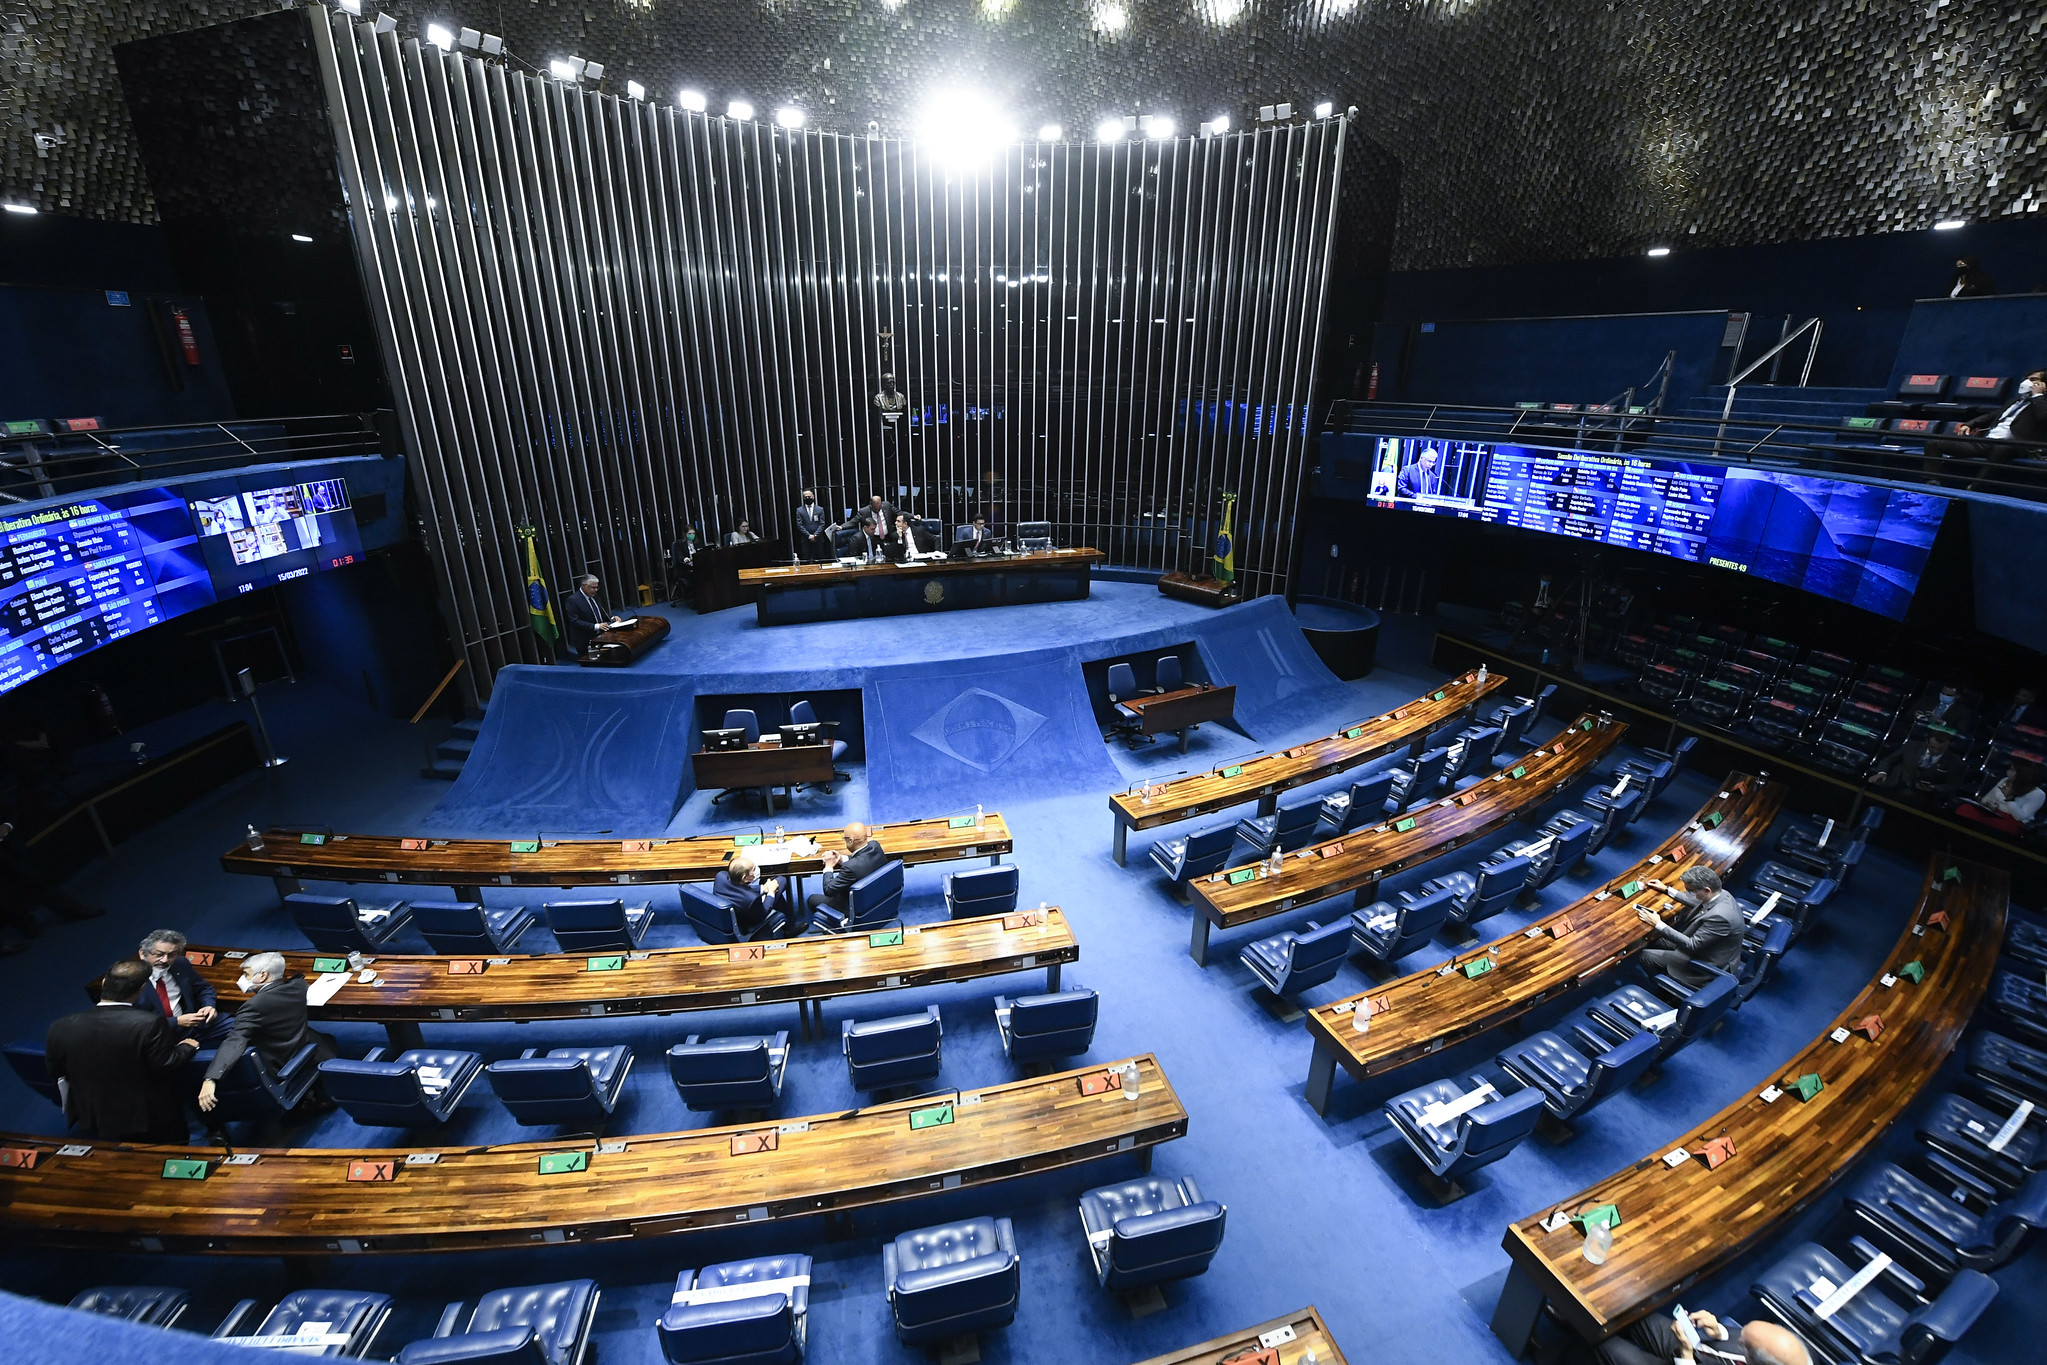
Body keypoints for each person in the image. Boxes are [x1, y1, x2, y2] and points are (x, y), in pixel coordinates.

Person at [44, 958, 202, 1143]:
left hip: (96, 1114)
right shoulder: (148, 1023)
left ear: (104, 983)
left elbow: (55, 1071)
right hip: (149, 1117)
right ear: (141, 989)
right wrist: (187, 1046)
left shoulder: (60, 1026)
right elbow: (164, 1064)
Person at [198, 951, 339, 1116]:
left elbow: (235, 1041)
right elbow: (298, 976)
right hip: (308, 1045)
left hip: (280, 1062)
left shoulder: (252, 1007)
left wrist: (211, 1078)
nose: (242, 979)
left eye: (246, 974)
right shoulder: (298, 987)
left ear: (263, 975)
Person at [0, 817, 104, 956]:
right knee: (6, 894)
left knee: (33, 879)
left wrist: (7, 825)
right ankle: (25, 926)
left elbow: (9, 812)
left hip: (7, 850)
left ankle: (72, 910)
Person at [1925, 369, 2047, 486]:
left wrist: (2038, 396)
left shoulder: (2042, 403)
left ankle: (1976, 486)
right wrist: (1970, 424)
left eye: (2033, 379)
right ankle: (1932, 483)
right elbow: (1994, 415)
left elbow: (2043, 417)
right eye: (2027, 379)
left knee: (2002, 448)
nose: (2027, 382)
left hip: (2016, 446)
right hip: (1988, 441)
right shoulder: (2016, 400)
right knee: (1935, 443)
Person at [1636, 866, 1744, 988]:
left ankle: (1664, 988)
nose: (1687, 893)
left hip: (1707, 963)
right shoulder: (1721, 894)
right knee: (1658, 939)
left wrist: (1658, 923)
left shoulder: (1721, 917)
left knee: (1646, 956)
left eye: (1690, 891)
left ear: (1707, 890)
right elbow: (1699, 903)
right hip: (1707, 947)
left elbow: (1692, 945)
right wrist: (1667, 890)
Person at [1590, 1306, 1810, 1365]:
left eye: (1745, 1344)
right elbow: (1742, 1338)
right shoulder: (1793, 1353)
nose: (1739, 1339)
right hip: (1704, 1353)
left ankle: (1574, 1335)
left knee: (1607, 1347)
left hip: (1688, 1359)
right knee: (1637, 1314)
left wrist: (1685, 1356)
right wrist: (1719, 1332)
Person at [136, 928, 232, 1044]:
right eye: (159, 954)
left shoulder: (180, 964)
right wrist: (176, 1022)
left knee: (245, 1025)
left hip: (192, 1026)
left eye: (171, 955)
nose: (165, 960)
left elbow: (204, 989)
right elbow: (132, 1023)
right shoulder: (131, 979)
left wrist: (208, 1006)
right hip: (157, 1036)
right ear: (142, 954)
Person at [806, 822, 886, 928]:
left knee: (812, 899)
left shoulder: (850, 868)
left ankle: (833, 924)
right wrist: (842, 859)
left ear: (851, 841)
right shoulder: (875, 846)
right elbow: (862, 858)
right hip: (877, 900)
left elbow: (829, 890)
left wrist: (829, 867)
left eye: (845, 838)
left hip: (853, 907)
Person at [1870, 728, 1962, 801]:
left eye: (1940, 749)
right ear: (1927, 742)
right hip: (1894, 781)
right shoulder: (1911, 746)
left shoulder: (1955, 762)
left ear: (1948, 745)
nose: (1935, 751)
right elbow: (1889, 760)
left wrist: (1934, 788)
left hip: (1921, 795)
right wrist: (1882, 772)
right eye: (1932, 747)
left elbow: (1952, 786)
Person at [711, 853, 785, 937]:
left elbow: (737, 888)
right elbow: (762, 914)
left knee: (772, 886)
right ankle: (789, 928)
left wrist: (763, 888)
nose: (756, 870)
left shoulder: (720, 876)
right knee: (781, 881)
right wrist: (771, 892)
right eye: (753, 869)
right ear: (744, 878)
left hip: (728, 918)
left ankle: (790, 927)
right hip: (746, 923)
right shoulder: (752, 899)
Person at [1963, 760, 2045, 828]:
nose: (2009, 772)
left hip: (2011, 821)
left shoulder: (2038, 794)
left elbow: (2019, 816)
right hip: (1993, 812)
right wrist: (1986, 803)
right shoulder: (2005, 781)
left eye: (2012, 770)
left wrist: (2009, 798)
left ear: (2022, 774)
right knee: (1966, 808)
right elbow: (1987, 799)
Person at [562, 574, 623, 657]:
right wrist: (596, 626)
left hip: (599, 636)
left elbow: (599, 611)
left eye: (597, 587)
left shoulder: (594, 596)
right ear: (584, 586)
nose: (596, 590)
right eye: (593, 588)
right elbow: (575, 621)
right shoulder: (573, 600)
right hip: (584, 639)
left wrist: (612, 618)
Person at [794, 490, 835, 561]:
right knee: (806, 560)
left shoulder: (820, 509)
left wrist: (815, 535)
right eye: (805, 497)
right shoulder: (799, 510)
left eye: (809, 496)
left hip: (818, 539)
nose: (807, 498)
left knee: (820, 560)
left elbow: (822, 524)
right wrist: (809, 536)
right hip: (806, 539)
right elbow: (799, 525)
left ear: (813, 497)